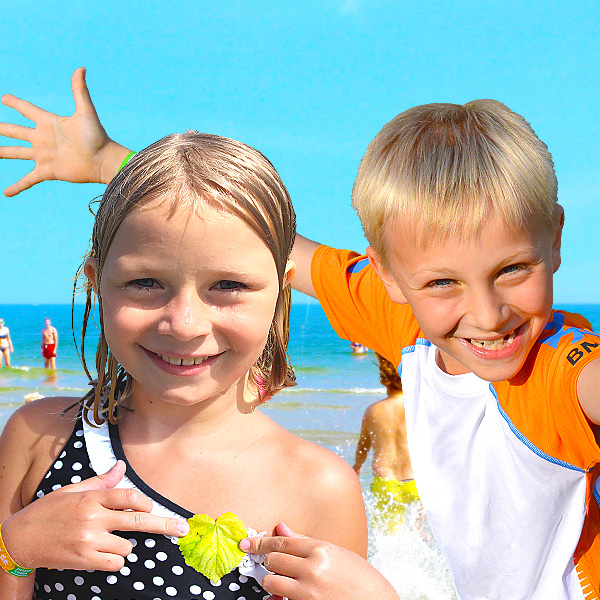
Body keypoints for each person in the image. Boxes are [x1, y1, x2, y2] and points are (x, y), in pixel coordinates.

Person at [6, 70, 600, 599]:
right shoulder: (412, 318)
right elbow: (244, 232)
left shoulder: (563, 368)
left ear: (554, 238)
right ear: (391, 277)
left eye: (513, 270)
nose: (488, 313)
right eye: (444, 280)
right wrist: (112, 161)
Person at [0, 129, 397, 600]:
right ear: (96, 282)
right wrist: (13, 552)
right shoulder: (41, 438)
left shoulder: (320, 487)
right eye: (145, 283)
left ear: (280, 291)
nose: (185, 324)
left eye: (228, 285)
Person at [353, 353, 419, 534]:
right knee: (417, 533)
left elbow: (363, 445)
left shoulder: (373, 410)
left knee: (389, 536)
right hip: (416, 481)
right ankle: (418, 529)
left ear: (383, 379)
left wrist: (357, 467)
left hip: (386, 480)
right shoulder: (418, 407)